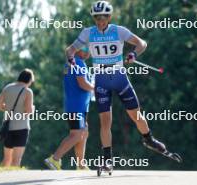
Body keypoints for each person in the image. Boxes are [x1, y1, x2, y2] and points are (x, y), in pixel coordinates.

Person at [65, 1, 167, 171]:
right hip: (101, 79)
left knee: (136, 115)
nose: (100, 21)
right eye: (96, 17)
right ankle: (107, 160)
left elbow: (142, 43)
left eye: (103, 17)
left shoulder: (118, 30)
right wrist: (71, 58)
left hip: (120, 77)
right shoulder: (88, 33)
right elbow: (70, 49)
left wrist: (133, 53)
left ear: (109, 17)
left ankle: (148, 139)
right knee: (105, 121)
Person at [44, 48, 94, 170]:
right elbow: (82, 83)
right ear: (78, 50)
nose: (89, 53)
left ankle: (81, 165)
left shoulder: (71, 62)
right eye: (87, 49)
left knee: (84, 132)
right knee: (76, 134)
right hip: (77, 106)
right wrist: (95, 87)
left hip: (78, 105)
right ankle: (55, 159)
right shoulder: (78, 62)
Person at [0, 68, 34, 167]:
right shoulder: (27, 91)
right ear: (29, 80)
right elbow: (28, 111)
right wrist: (32, 109)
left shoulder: (7, 88)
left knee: (6, 159)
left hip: (8, 127)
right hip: (21, 128)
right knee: (16, 160)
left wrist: (9, 110)